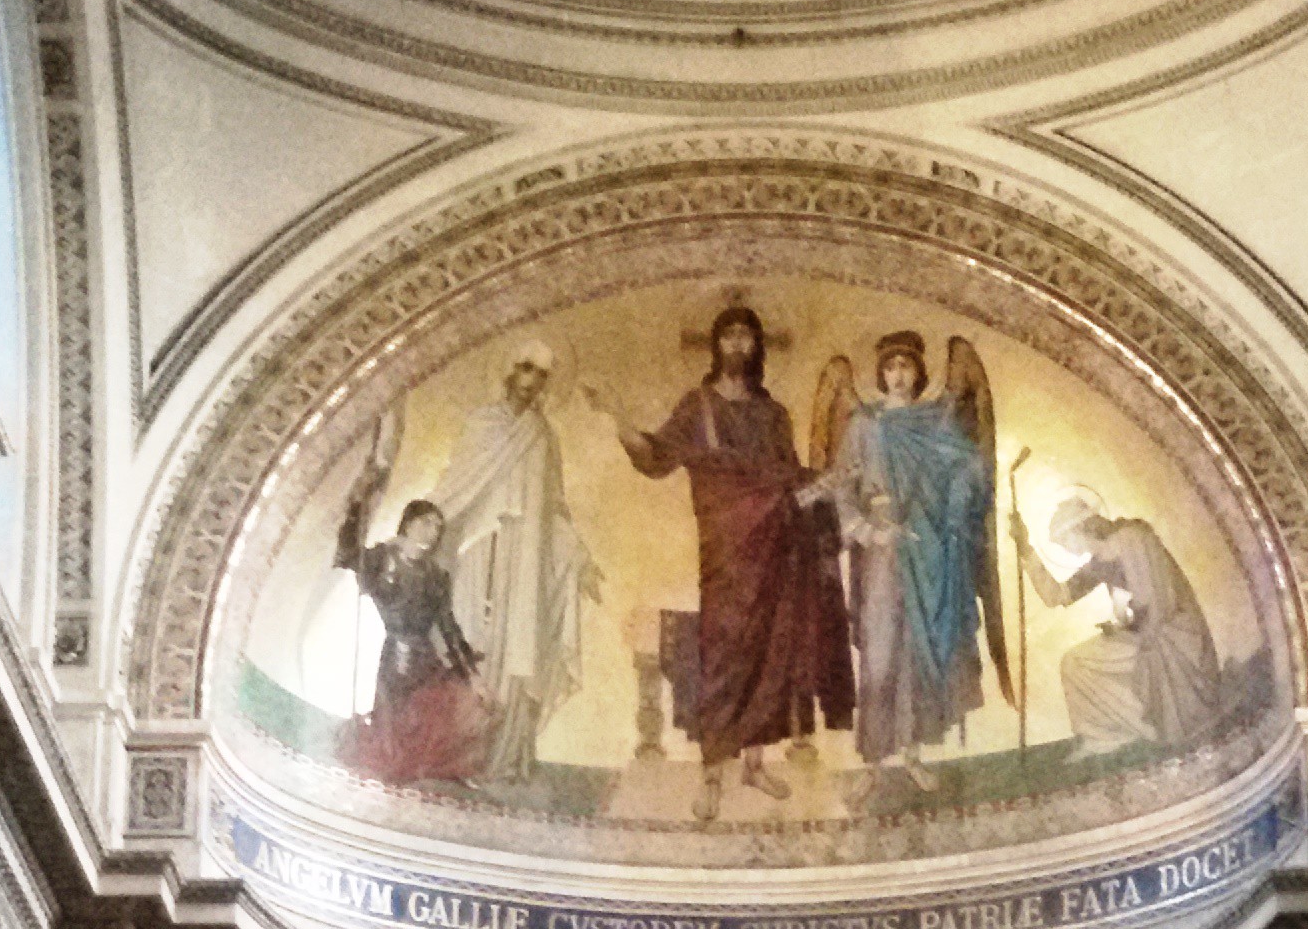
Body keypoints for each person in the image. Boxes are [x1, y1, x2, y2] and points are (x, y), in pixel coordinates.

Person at [588, 301, 854, 823]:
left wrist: (826, 484)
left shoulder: (774, 414)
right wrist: (618, 414)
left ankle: (754, 766)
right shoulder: (698, 407)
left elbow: (787, 477)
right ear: (716, 345)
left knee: (770, 657)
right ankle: (713, 776)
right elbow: (655, 458)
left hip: (774, 550)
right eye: (728, 335)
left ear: (757, 347)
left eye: (745, 336)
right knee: (724, 660)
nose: (737, 344)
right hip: (727, 553)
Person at [805, 331, 1003, 799]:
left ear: (919, 372)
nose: (898, 375)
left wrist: (957, 500)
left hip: (925, 549)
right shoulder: (865, 424)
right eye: (890, 366)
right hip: (879, 554)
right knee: (879, 652)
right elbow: (840, 487)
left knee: (917, 652)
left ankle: (912, 755)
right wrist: (865, 530)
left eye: (906, 366)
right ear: (881, 373)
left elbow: (969, 467)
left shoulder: (936, 422)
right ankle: (874, 761)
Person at [428, 338, 599, 781]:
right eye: (526, 368)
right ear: (508, 371)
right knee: (473, 636)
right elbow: (456, 484)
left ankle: (505, 756)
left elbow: (555, 505)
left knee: (522, 644)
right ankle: (460, 751)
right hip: (480, 550)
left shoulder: (544, 436)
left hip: (526, 560)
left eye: (542, 374)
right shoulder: (481, 424)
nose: (532, 380)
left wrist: (580, 558)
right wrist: (420, 531)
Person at [1010, 490, 1223, 759]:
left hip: (1172, 634)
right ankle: (1103, 736)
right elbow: (1058, 596)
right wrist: (1026, 550)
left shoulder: (1132, 538)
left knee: (1094, 661)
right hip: (1143, 632)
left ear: (1080, 528)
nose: (1067, 548)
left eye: (1065, 540)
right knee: (1074, 663)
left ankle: (1152, 725)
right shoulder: (1099, 561)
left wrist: (1127, 626)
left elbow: (1155, 602)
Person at [336, 495, 491, 786]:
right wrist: (356, 508)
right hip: (395, 652)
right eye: (426, 522)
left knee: (453, 704)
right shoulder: (382, 558)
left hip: (424, 654)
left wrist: (472, 673)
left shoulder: (436, 576)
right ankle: (396, 766)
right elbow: (347, 555)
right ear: (408, 524)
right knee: (396, 725)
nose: (433, 531)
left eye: (438, 526)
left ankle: (448, 766)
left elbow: (448, 627)